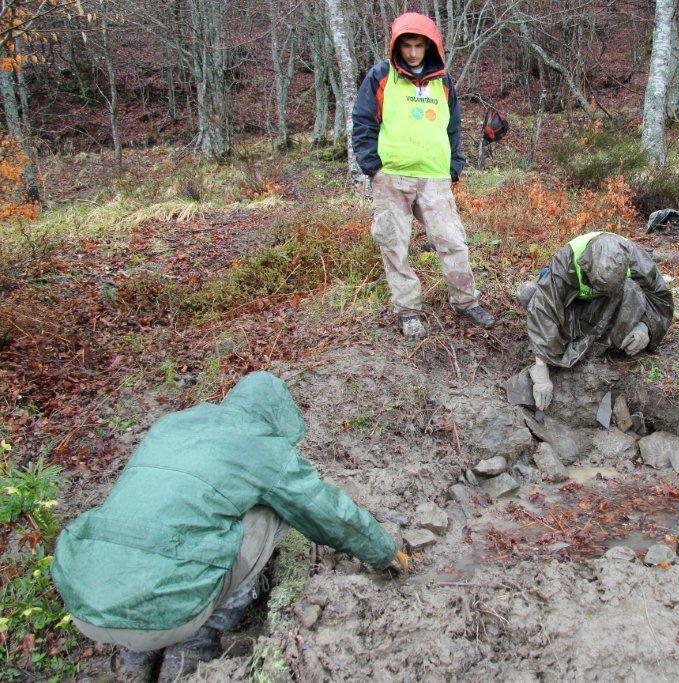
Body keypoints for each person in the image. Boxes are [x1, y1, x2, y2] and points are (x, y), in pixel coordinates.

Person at [51, 372, 406, 681]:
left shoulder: (171, 425)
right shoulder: (263, 448)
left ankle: (134, 658)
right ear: (276, 417)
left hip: (88, 603)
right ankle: (196, 642)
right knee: (276, 509)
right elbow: (326, 512)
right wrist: (384, 550)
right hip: (173, 614)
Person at [352, 12, 494, 339]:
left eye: (419, 45)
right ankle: (408, 312)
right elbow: (363, 122)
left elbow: (453, 126)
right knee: (394, 246)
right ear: (396, 45)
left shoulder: (442, 82)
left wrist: (454, 165)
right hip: (392, 178)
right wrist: (372, 166)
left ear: (430, 47)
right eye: (407, 45)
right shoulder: (381, 76)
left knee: (452, 240)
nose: (413, 52)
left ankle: (465, 301)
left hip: (434, 178)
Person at [515, 232, 674, 409]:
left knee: (633, 291)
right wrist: (541, 369)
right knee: (528, 293)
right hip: (573, 306)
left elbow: (660, 299)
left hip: (609, 306)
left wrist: (645, 327)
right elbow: (544, 310)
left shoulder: (637, 260)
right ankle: (578, 338)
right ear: (586, 266)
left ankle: (608, 341)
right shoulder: (567, 261)